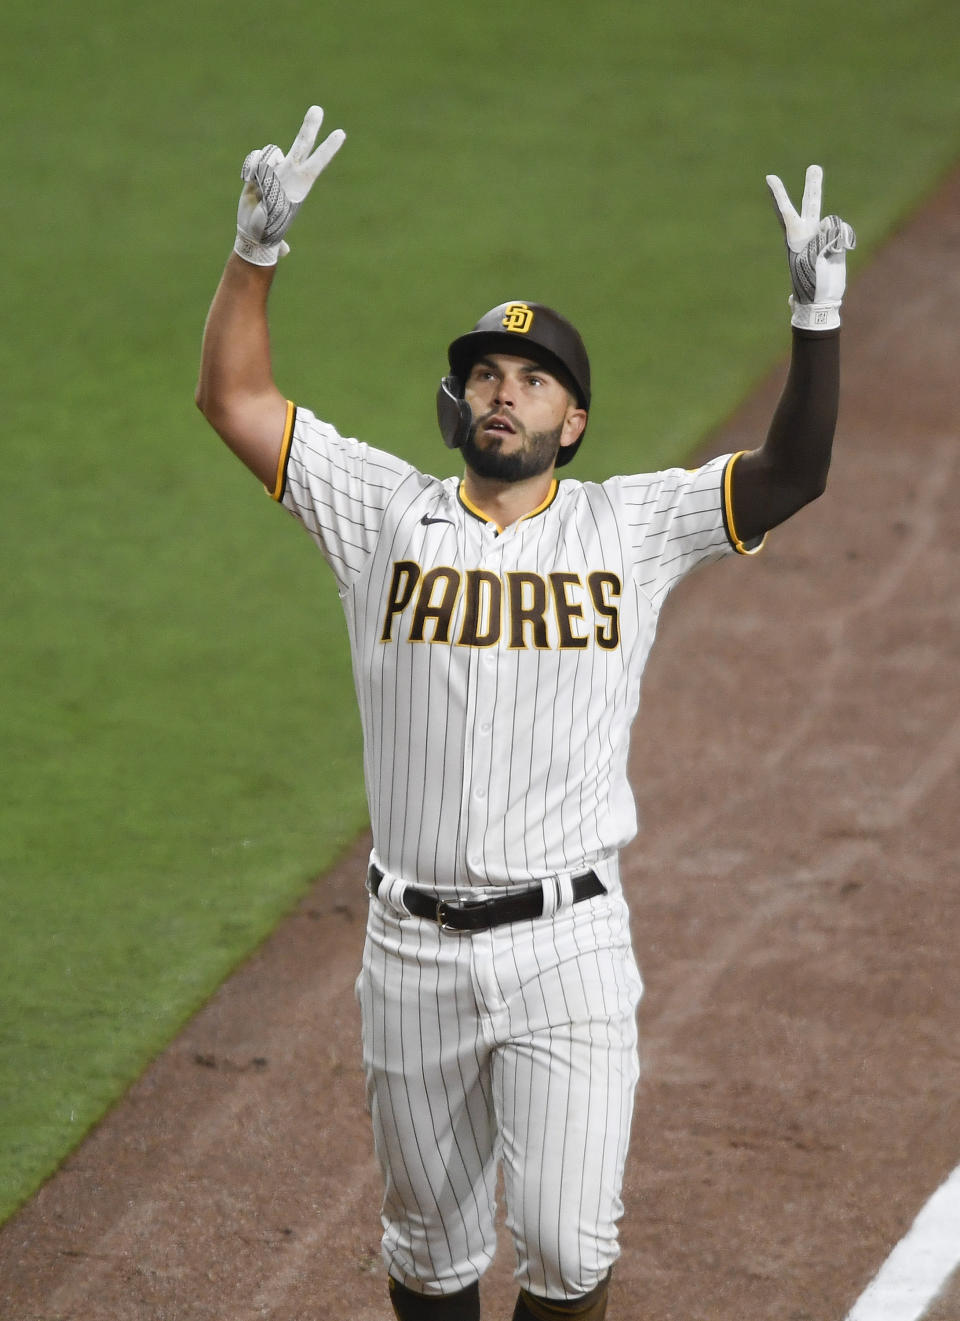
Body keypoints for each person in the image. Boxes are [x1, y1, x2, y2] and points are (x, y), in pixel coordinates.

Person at [195, 105, 855, 1321]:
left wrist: (815, 326)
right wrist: (257, 252)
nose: (506, 393)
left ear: (574, 420)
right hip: (410, 948)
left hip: (568, 945)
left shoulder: (630, 524)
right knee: (431, 1253)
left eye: (534, 379)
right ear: (460, 402)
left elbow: (795, 472)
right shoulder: (382, 513)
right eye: (487, 375)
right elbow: (235, 399)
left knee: (566, 1241)